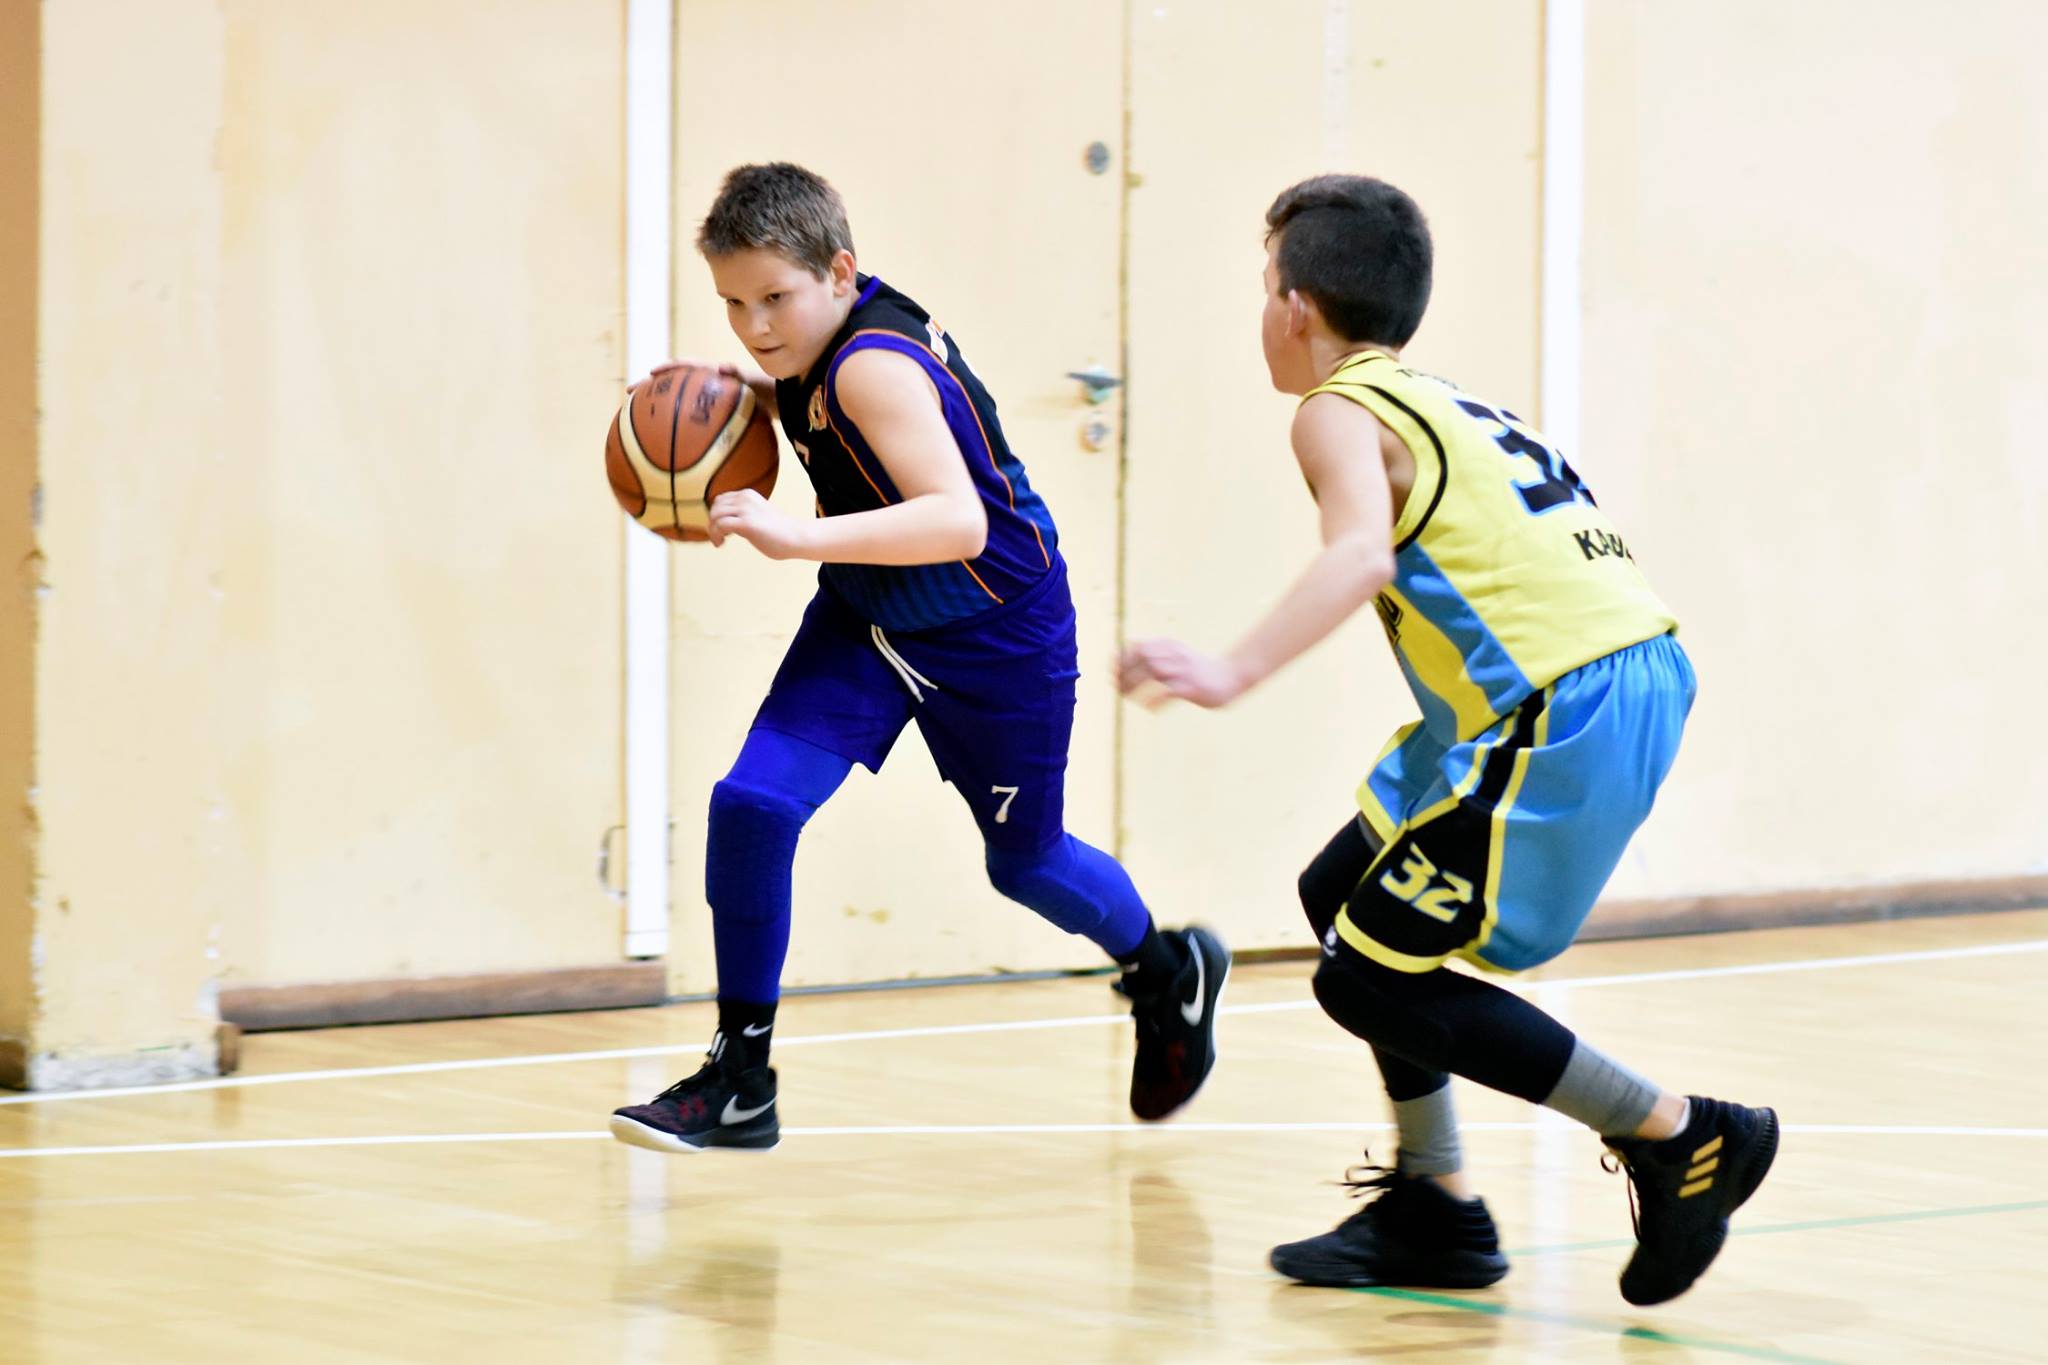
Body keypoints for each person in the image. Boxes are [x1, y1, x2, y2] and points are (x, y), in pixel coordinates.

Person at [1117, 173, 1775, 1306]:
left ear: (1295, 305)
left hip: (1559, 697)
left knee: (1366, 978)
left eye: (1263, 287)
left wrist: (1227, 670)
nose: (1261, 311)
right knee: (1341, 892)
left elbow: (1358, 556)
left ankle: (1676, 1132)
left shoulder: (1334, 407)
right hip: (1578, 678)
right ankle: (1436, 1204)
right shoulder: (1439, 399)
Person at [610, 162, 1228, 1156]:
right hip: (869, 617)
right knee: (753, 805)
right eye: (733, 303)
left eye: (774, 299)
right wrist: (738, 399)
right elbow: (822, 413)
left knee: (1026, 866)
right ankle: (740, 1080)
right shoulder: (813, 343)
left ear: (839, 271)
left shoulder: (870, 367)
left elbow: (957, 520)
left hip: (996, 632)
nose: (755, 326)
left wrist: (795, 537)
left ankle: (1166, 971)